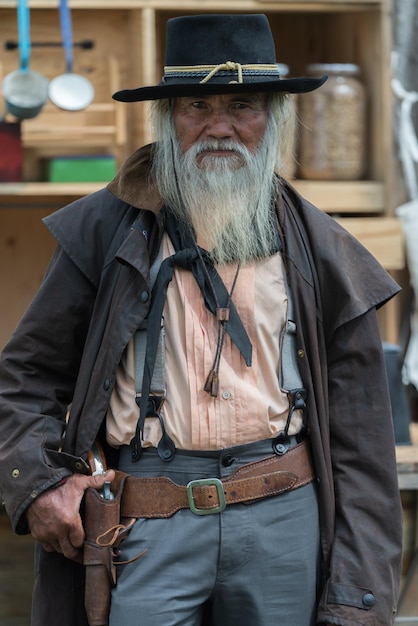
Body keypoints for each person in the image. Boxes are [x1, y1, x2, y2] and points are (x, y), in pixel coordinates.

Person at [0, 13, 403, 626]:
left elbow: (362, 443)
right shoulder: (103, 233)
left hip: (283, 517)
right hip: (146, 519)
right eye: (196, 105)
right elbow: (23, 377)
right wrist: (39, 485)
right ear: (167, 118)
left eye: (242, 104)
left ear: (273, 117)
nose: (220, 126)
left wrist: (358, 594)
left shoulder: (323, 251)